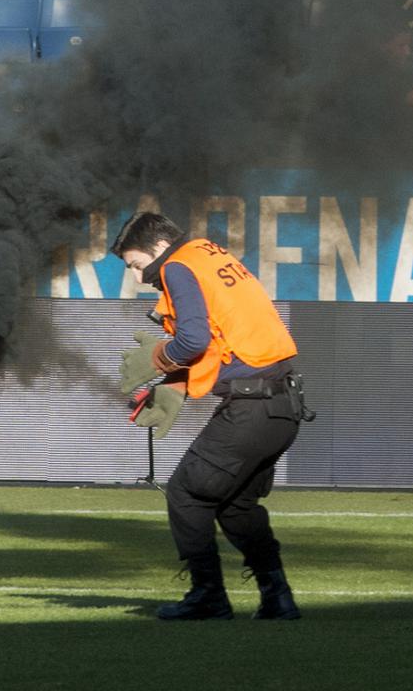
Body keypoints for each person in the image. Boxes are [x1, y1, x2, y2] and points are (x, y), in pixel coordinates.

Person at [112, 211, 312, 622]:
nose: (136, 277)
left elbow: (193, 339)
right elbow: (226, 343)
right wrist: (178, 384)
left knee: (187, 494)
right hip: (283, 408)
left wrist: (157, 360)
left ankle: (208, 596)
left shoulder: (179, 265)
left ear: (159, 248)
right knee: (236, 506)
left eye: (135, 265)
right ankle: (278, 598)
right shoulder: (209, 253)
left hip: (252, 408)